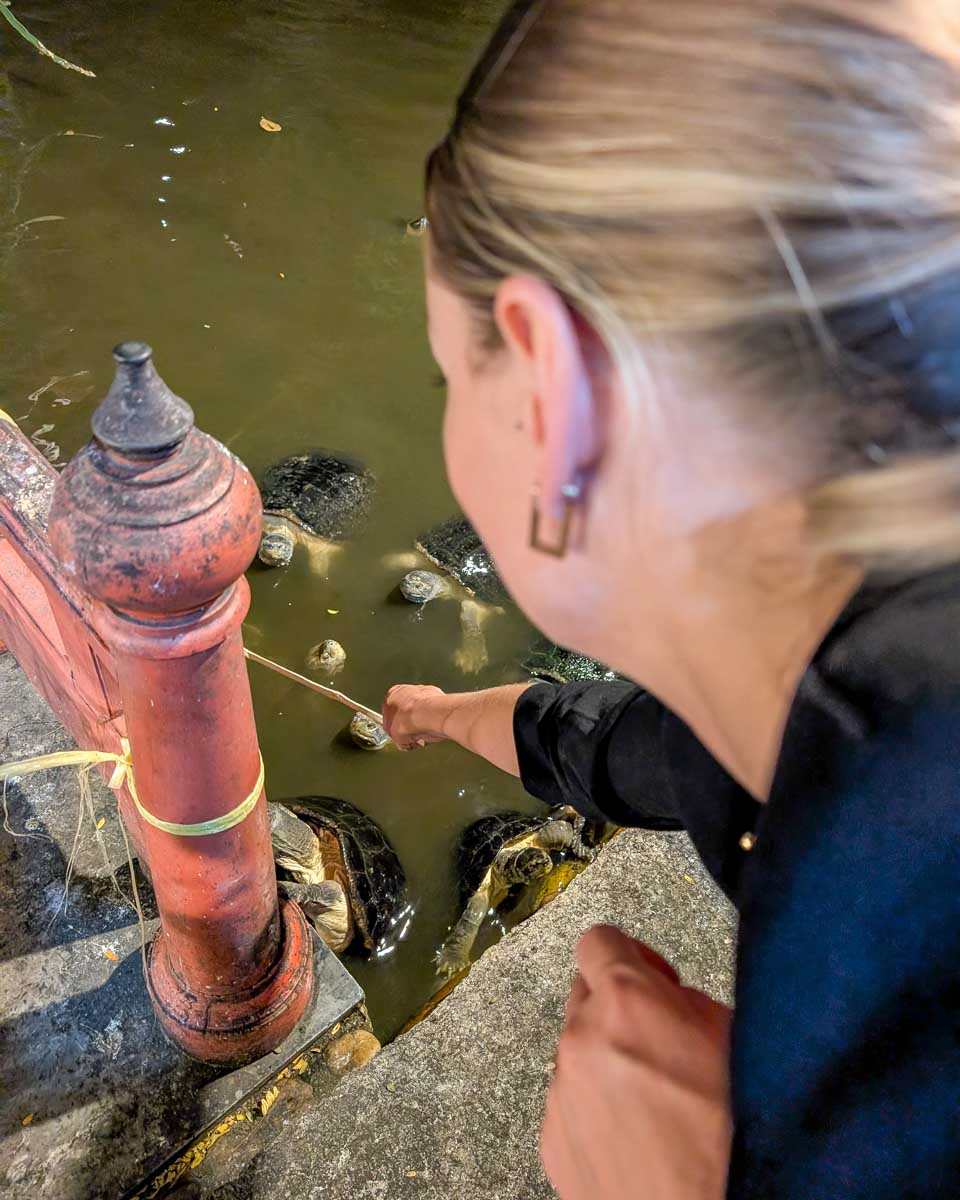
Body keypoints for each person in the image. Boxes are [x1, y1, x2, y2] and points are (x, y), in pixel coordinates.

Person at [384, 1, 960, 1196]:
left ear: (554, 401)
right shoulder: (814, 683)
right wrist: (444, 712)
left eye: (452, 371)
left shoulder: (902, 954)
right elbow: (609, 745)